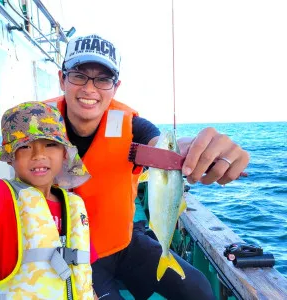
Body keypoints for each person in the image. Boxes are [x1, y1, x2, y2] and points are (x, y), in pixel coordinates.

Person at [40, 34, 250, 300]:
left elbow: (161, 148)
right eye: (79, 75)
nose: (89, 89)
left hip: (124, 242)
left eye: (103, 79)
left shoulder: (133, 126)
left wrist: (191, 151)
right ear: (62, 79)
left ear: (115, 87)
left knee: (197, 288)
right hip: (70, 252)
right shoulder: (39, 122)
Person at [0, 102, 98, 299]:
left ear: (65, 153)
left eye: (50, 144)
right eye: (25, 146)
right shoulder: (1, 195)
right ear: (10, 157)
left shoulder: (74, 206)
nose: (38, 155)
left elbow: (83, 276)